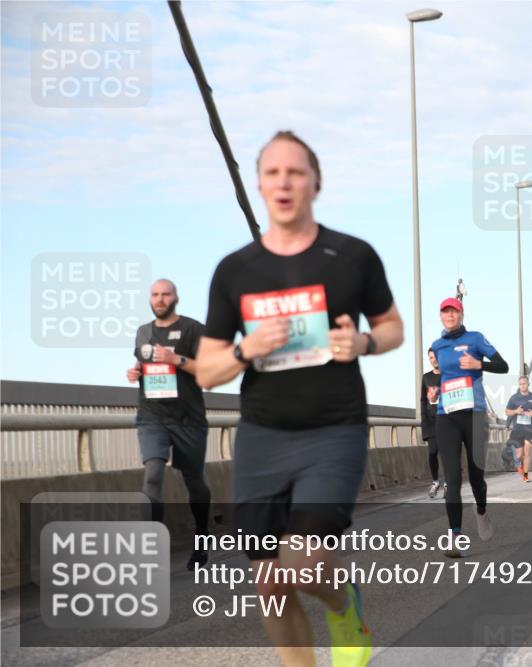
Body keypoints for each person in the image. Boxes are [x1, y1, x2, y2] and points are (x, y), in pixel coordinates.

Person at [196, 131, 404, 666]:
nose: (283, 182)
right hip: (263, 437)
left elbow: (392, 328)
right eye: (272, 173)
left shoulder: (351, 256)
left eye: (295, 172)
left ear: (316, 182)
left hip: (334, 431)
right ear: (259, 185)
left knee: (306, 563)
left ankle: (344, 604)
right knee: (269, 582)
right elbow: (206, 371)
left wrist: (362, 342)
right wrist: (247, 350)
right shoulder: (235, 271)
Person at [127, 278, 211, 571]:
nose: (160, 299)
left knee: (194, 481)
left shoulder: (193, 329)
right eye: (155, 295)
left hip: (189, 418)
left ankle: (202, 541)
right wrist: (135, 371)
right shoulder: (142, 332)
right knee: (152, 473)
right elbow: (143, 363)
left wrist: (177, 358)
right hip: (152, 415)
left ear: (176, 298)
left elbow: (211, 371)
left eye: (165, 294)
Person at [431, 297, 509, 550]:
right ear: (441, 317)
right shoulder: (437, 346)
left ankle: (482, 511)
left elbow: (503, 365)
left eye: (454, 311)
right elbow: (442, 376)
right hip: (447, 415)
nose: (450, 316)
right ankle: (455, 537)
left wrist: (479, 364)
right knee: (452, 477)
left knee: (476, 476)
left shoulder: (475, 339)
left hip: (474, 415)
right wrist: (434, 392)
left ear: (461, 314)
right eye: (445, 312)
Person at [505, 375, 532, 482]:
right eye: (520, 384)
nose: (522, 386)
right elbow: (507, 411)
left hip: (530, 429)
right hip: (517, 429)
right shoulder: (514, 398)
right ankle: (519, 464)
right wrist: (516, 411)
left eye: (524, 384)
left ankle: (525, 475)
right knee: (519, 455)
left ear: (528, 384)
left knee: (527, 451)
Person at [421, 347, 445, 498]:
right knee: (432, 453)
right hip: (430, 421)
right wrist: (424, 420)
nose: (433, 359)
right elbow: (423, 400)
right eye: (430, 357)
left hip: (446, 419)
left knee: (445, 453)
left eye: (435, 356)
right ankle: (436, 482)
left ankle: (448, 483)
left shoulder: (448, 375)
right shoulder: (426, 377)